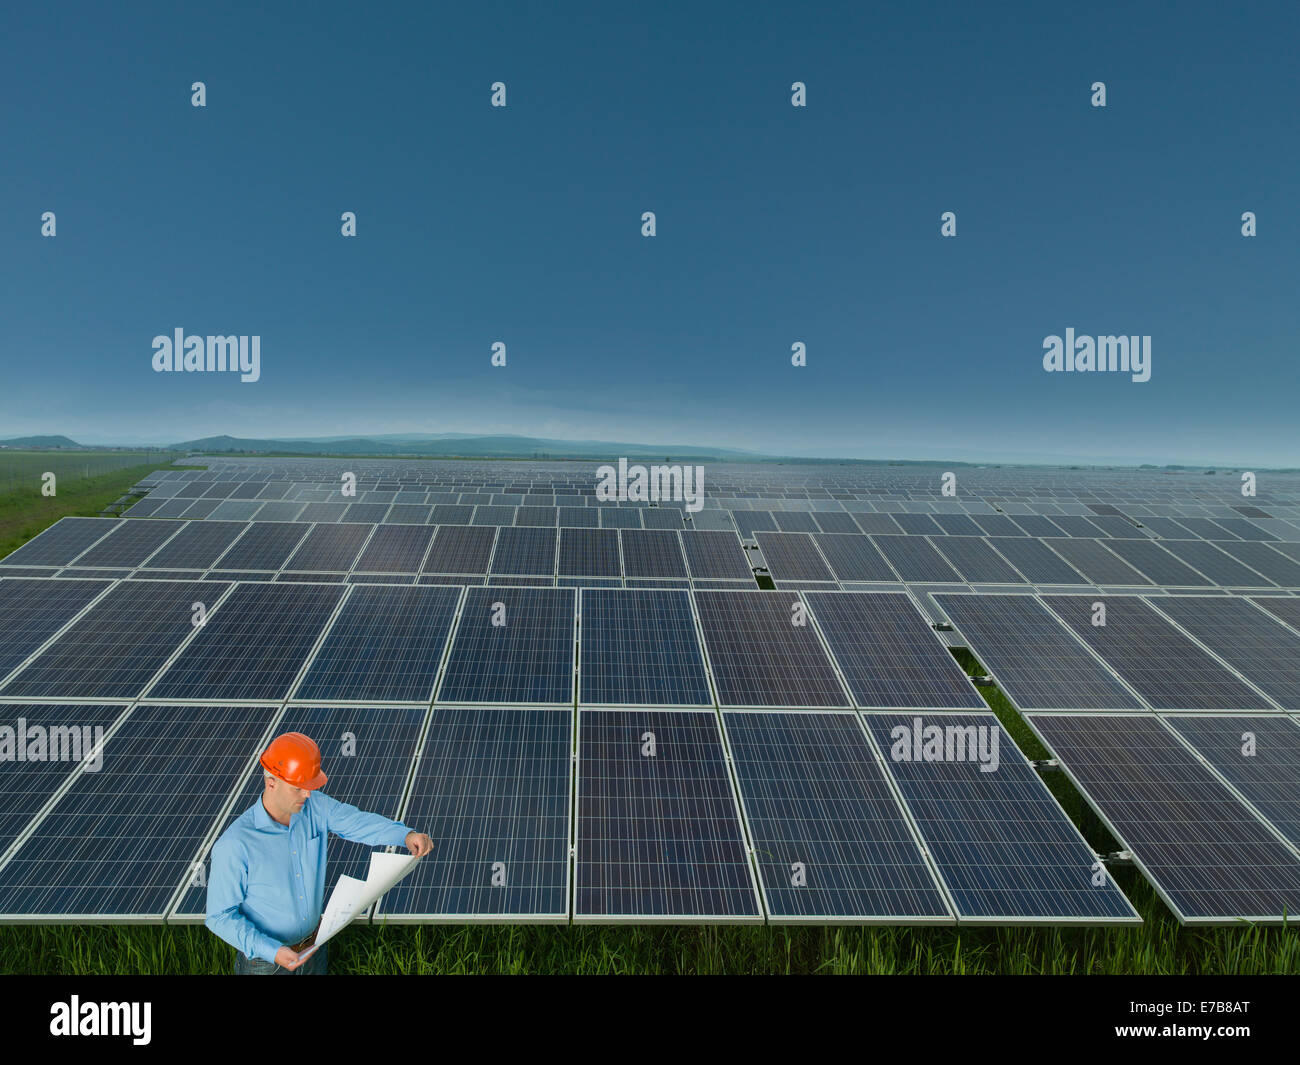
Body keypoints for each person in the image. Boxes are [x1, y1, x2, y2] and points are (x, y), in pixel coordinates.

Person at [205, 731, 433, 974]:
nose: (308, 794)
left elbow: (356, 822)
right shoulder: (235, 844)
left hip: (314, 947)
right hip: (264, 964)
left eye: (309, 786)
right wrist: (272, 951)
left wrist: (404, 835)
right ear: (272, 783)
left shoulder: (314, 807)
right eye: (299, 788)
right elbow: (219, 916)